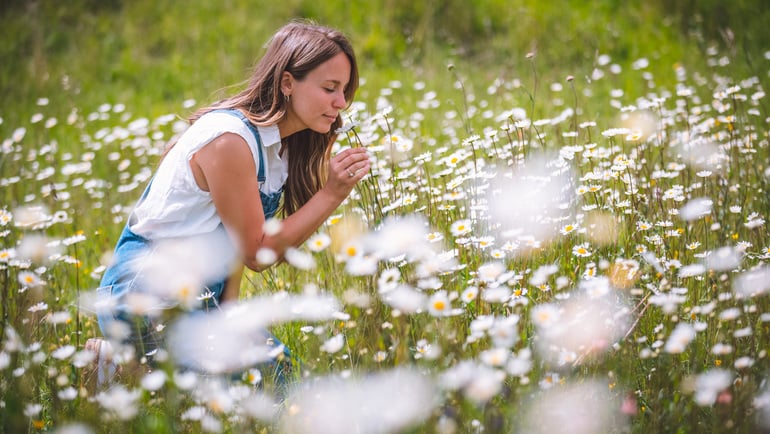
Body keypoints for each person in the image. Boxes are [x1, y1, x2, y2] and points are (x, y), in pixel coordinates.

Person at [85, 20, 369, 389]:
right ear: (287, 83)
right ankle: (130, 365)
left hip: (199, 300)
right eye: (330, 88)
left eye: (345, 91)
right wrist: (331, 193)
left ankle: (124, 366)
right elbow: (257, 252)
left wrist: (228, 314)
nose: (341, 103)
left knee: (284, 376)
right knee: (269, 388)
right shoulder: (231, 140)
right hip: (143, 296)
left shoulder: (274, 149)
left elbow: (232, 241)